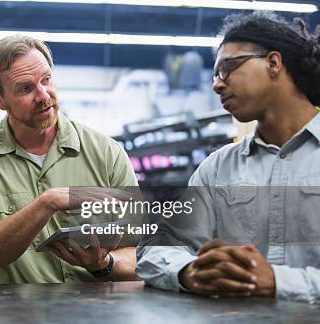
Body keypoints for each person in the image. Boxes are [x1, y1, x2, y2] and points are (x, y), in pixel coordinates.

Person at [136, 11, 320, 303]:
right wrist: (189, 272)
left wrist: (278, 281)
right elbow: (155, 250)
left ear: (273, 63)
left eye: (228, 68)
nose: (216, 84)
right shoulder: (217, 168)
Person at [0, 35, 139, 284]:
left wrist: (104, 264)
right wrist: (48, 202)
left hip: (92, 311)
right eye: (26, 88)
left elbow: (138, 254)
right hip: (8, 312)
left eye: (46, 80)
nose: (44, 95)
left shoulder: (107, 153)